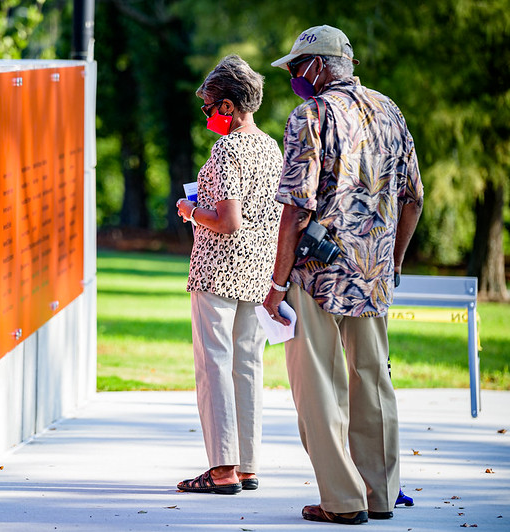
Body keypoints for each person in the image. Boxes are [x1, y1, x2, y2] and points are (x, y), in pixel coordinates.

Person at [263, 25, 424, 524]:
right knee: (373, 382)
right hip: (372, 274)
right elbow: (414, 198)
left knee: (318, 388)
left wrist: (274, 284)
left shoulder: (310, 116)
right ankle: (379, 495)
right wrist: (392, 262)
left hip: (316, 274)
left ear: (318, 65)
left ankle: (342, 500)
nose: (294, 76)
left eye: (296, 67)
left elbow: (295, 206)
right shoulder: (389, 111)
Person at [174, 55, 282, 495]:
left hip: (218, 271)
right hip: (258, 272)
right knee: (248, 367)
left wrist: (190, 211)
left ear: (228, 106)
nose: (206, 115)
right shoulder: (271, 147)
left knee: (213, 366)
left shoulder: (227, 149)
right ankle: (248, 464)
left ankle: (221, 471)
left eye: (209, 106)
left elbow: (227, 219)